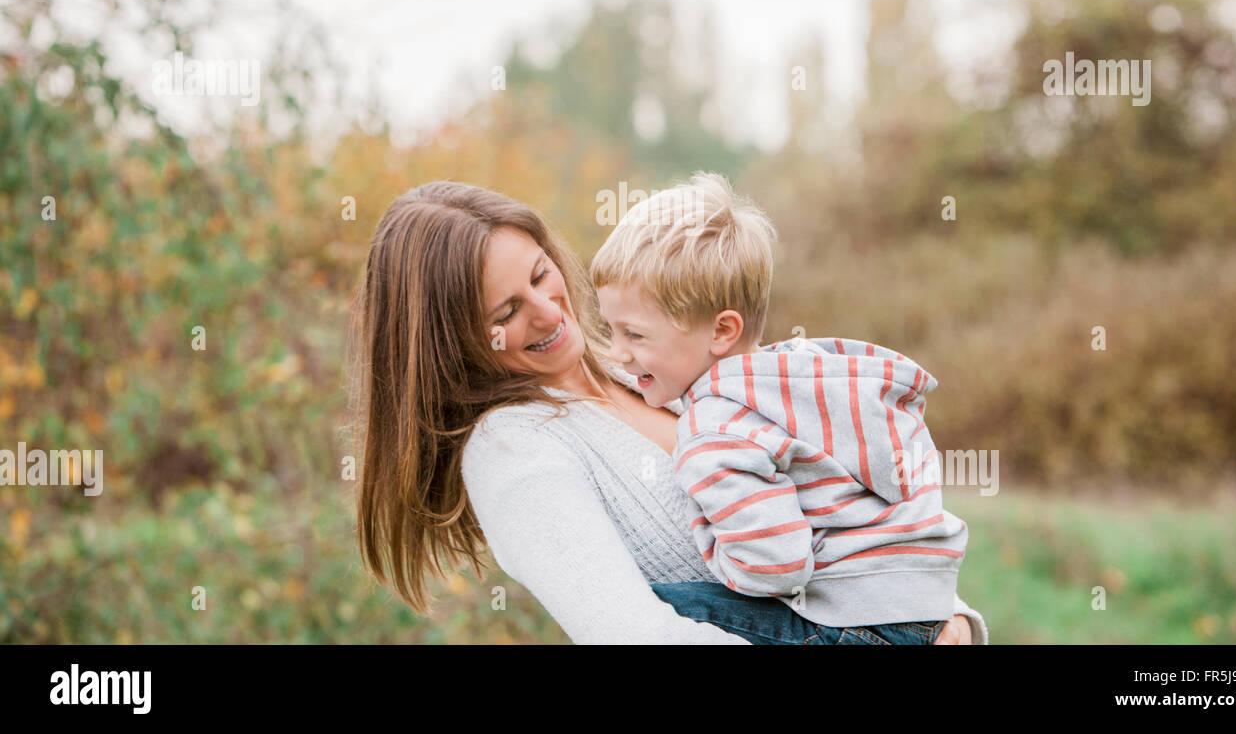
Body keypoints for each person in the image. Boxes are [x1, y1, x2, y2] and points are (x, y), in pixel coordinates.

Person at [350, 179, 987, 644]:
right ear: (453, 339)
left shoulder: (653, 364)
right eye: (505, 313)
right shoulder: (513, 449)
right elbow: (631, 632)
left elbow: (834, 491)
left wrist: (945, 615)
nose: (548, 311)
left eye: (541, 275)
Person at [590, 172, 972, 645]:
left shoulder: (714, 427)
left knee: (650, 609)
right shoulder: (809, 375)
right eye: (610, 330)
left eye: (635, 335)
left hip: (856, 623)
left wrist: (710, 551)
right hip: (929, 606)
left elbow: (778, 567)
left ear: (721, 332)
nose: (616, 353)